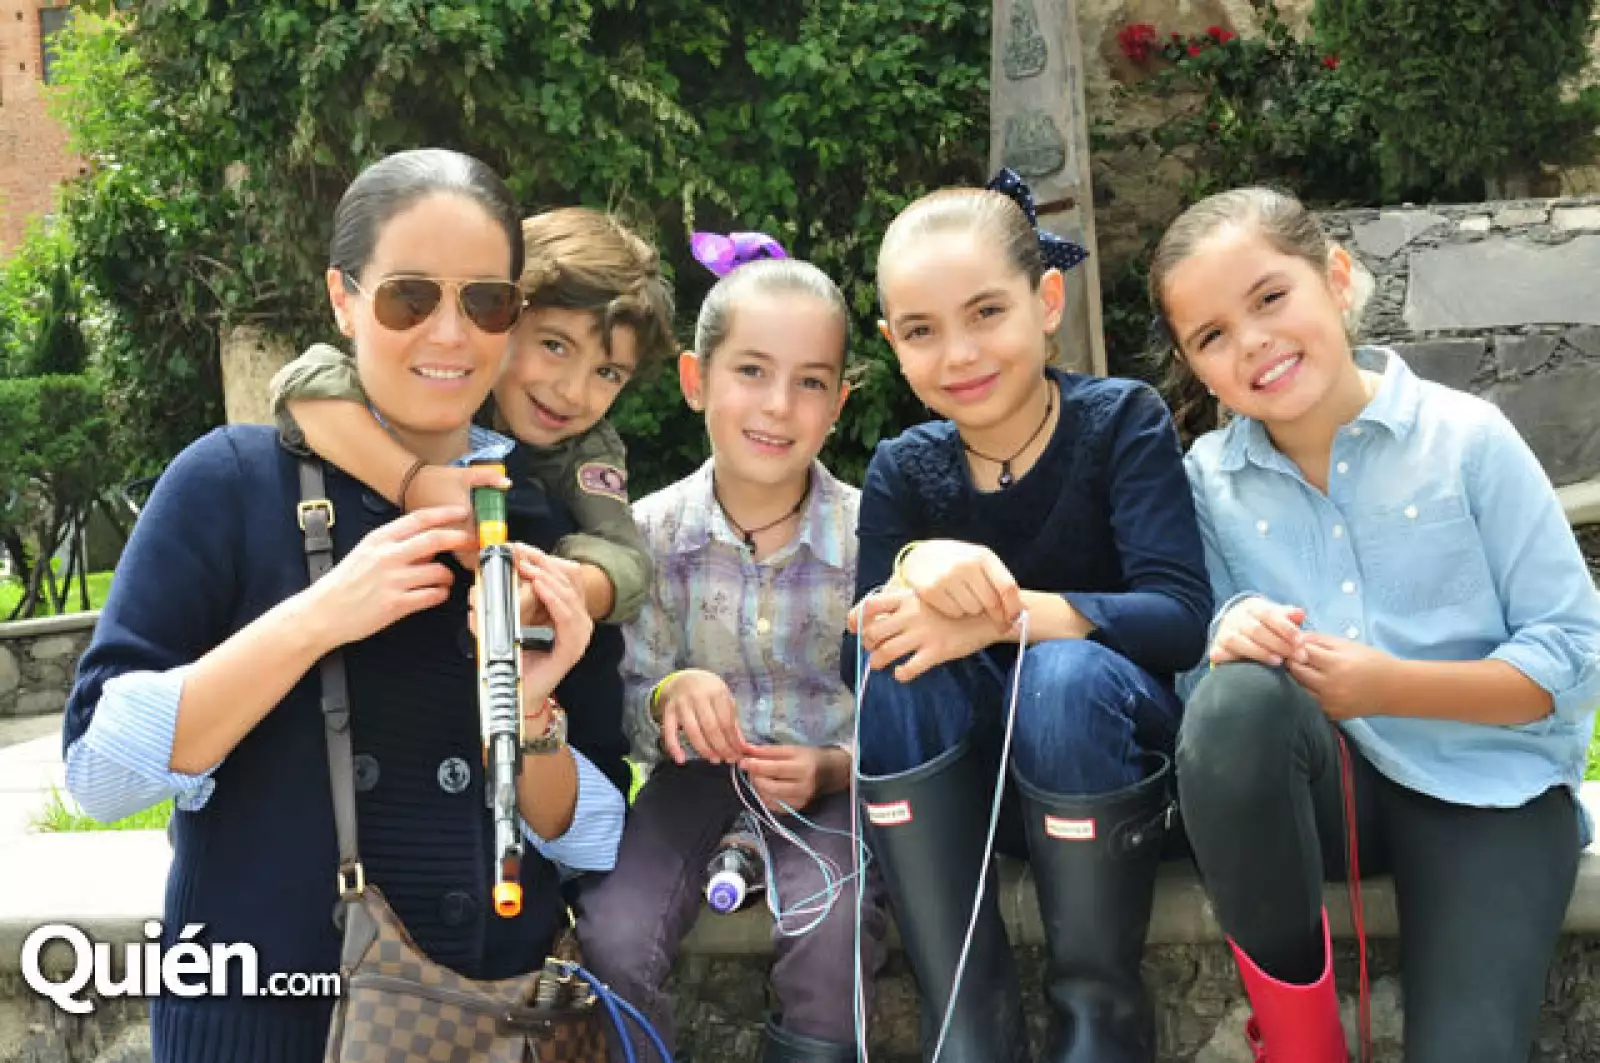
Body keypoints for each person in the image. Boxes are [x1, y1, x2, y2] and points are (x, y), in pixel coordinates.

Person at [61, 149, 628, 1063]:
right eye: (411, 296)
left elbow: (599, 838)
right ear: (343, 298)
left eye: (485, 301)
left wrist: (531, 716)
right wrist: (319, 616)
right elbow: (99, 771)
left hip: (492, 1021)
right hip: (263, 1020)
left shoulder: (541, 520)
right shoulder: (232, 481)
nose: (451, 333)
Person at [1155, 186, 1600, 1063]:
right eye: (1211, 335)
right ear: (1194, 364)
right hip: (1330, 796)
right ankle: (1299, 1041)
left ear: (1339, 279)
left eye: (1271, 298)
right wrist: (1232, 631)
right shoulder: (1205, 480)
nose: (1252, 343)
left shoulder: (1468, 438)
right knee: (1234, 702)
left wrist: (1386, 684)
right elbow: (1195, 691)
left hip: (1493, 794)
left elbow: (1573, 656)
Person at [847, 171, 1212, 1063]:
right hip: (973, 805)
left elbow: (1178, 618)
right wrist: (915, 565)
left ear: (1046, 301)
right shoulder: (905, 469)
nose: (960, 353)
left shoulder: (1121, 421)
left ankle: (1099, 1018)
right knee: (894, 670)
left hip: (1111, 783)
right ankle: (967, 1020)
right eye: (923, 331)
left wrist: (1006, 620)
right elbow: (856, 660)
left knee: (1064, 676)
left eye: (985, 313)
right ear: (894, 345)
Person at [576, 236, 888, 1063]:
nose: (778, 405)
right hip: (692, 783)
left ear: (840, 403)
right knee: (612, 932)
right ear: (694, 380)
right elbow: (631, 690)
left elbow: (904, 706)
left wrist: (834, 765)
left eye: (811, 382)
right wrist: (671, 694)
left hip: (824, 788)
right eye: (751, 371)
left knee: (835, 932)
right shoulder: (643, 536)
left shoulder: (871, 537)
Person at [270, 205, 677, 626]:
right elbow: (304, 387)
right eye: (555, 346)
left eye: (607, 373)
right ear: (497, 317)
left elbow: (626, 558)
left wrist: (564, 586)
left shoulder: (585, 447)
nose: (572, 393)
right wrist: (415, 483)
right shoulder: (440, 383)